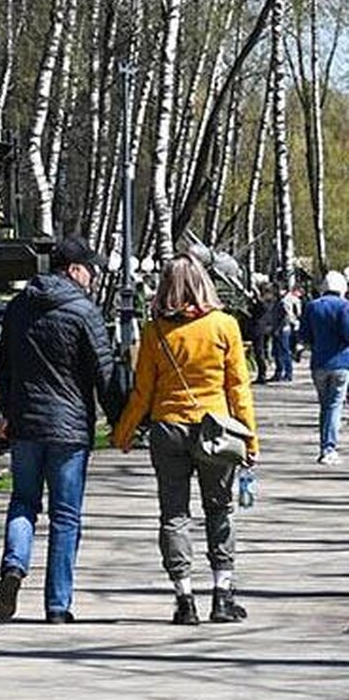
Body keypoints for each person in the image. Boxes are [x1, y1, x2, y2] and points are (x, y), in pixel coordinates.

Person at [112, 254, 258, 624]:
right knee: (220, 509)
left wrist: (124, 432)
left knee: (174, 515)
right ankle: (222, 596)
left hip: (168, 428)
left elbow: (142, 392)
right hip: (217, 430)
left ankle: (185, 598)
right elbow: (238, 388)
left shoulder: (154, 331)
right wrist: (250, 439)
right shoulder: (225, 325)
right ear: (204, 283)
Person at [0, 235, 125, 623]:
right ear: (74, 270)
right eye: (91, 269)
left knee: (23, 502)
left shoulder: (18, 307)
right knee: (66, 516)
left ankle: (14, 567)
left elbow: (3, 365)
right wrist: (121, 424)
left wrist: (8, 410)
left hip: (26, 425)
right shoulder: (84, 312)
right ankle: (57, 606)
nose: (95, 277)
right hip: (68, 431)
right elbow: (105, 372)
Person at [297, 270, 349, 465]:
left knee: (325, 406)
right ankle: (329, 448)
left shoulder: (311, 306)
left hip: (318, 363)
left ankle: (324, 446)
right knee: (335, 406)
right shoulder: (345, 306)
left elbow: (304, 335)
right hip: (342, 362)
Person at [272, 282, 301, 382]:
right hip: (280, 328)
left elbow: (287, 316)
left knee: (284, 351)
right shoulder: (281, 299)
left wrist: (279, 328)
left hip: (283, 329)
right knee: (277, 351)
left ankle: (288, 373)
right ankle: (279, 372)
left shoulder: (286, 300)